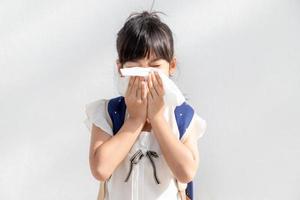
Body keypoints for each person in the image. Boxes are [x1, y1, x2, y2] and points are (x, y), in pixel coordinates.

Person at [84, 10, 207, 200]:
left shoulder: (182, 116)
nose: (145, 77)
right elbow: (100, 169)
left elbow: (187, 172)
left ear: (171, 66)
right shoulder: (108, 114)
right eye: (135, 68)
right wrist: (135, 119)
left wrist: (157, 119)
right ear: (120, 68)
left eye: (155, 67)